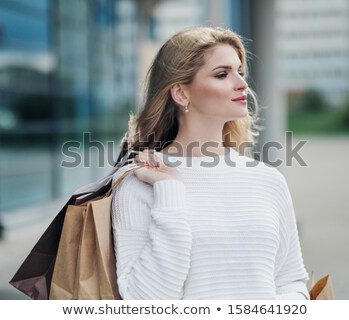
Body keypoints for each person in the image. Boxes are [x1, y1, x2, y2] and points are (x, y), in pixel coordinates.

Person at [111, 26, 309, 300]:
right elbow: (145, 303)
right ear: (181, 94)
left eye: (240, 71)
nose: (241, 83)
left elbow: (291, 280)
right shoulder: (139, 183)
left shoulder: (268, 180)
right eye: (222, 74)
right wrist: (170, 190)